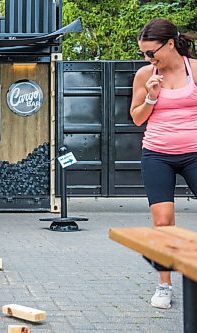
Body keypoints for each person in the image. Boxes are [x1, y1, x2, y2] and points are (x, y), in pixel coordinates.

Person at [130, 18, 197, 309]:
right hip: (157, 153)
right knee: (162, 221)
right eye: (144, 53)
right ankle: (164, 285)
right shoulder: (146, 74)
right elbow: (137, 117)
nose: (147, 58)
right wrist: (151, 97)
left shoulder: (194, 69)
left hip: (194, 152)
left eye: (151, 52)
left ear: (170, 43)